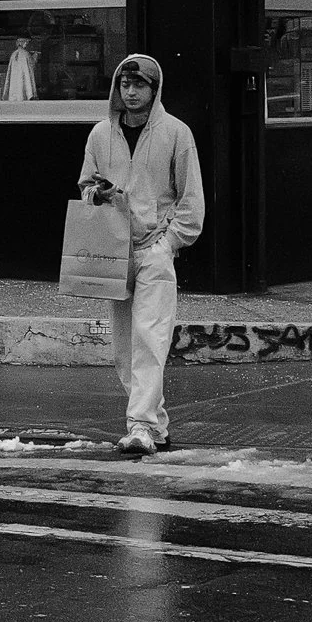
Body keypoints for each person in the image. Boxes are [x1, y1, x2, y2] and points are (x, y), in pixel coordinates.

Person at [77, 53, 204, 455]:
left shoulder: (176, 133)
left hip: (153, 249)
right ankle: (157, 426)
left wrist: (169, 243)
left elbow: (190, 198)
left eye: (139, 85)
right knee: (123, 347)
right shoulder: (100, 134)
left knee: (150, 338)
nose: (130, 92)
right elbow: (84, 184)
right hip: (114, 250)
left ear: (154, 88)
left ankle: (141, 426)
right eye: (124, 85)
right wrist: (97, 194)